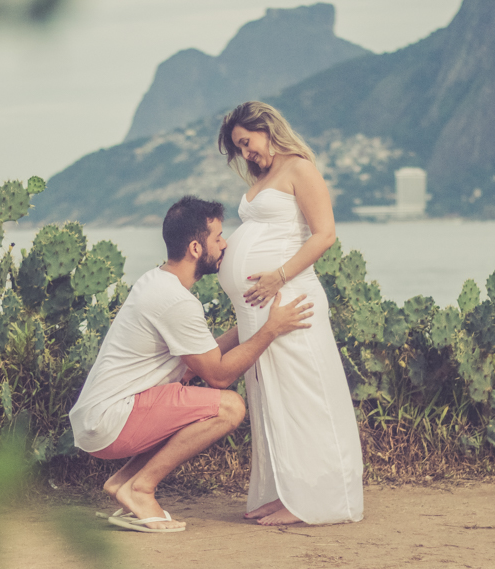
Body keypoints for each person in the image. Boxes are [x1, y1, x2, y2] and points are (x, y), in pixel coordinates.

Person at [69, 195, 313, 532]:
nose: (225, 244)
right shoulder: (175, 301)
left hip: (101, 418)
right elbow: (218, 375)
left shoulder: (157, 282)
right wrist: (271, 329)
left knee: (185, 391)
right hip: (112, 420)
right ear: (196, 248)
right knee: (229, 407)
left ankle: (124, 482)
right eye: (217, 238)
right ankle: (141, 488)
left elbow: (198, 361)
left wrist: (250, 325)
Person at [217, 101, 364, 526]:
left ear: (267, 129)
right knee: (272, 403)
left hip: (291, 299)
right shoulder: (264, 178)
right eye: (238, 149)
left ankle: (316, 500)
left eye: (246, 142)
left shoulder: (299, 168)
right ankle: (285, 492)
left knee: (304, 398)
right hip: (259, 309)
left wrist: (278, 276)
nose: (246, 154)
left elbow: (325, 234)